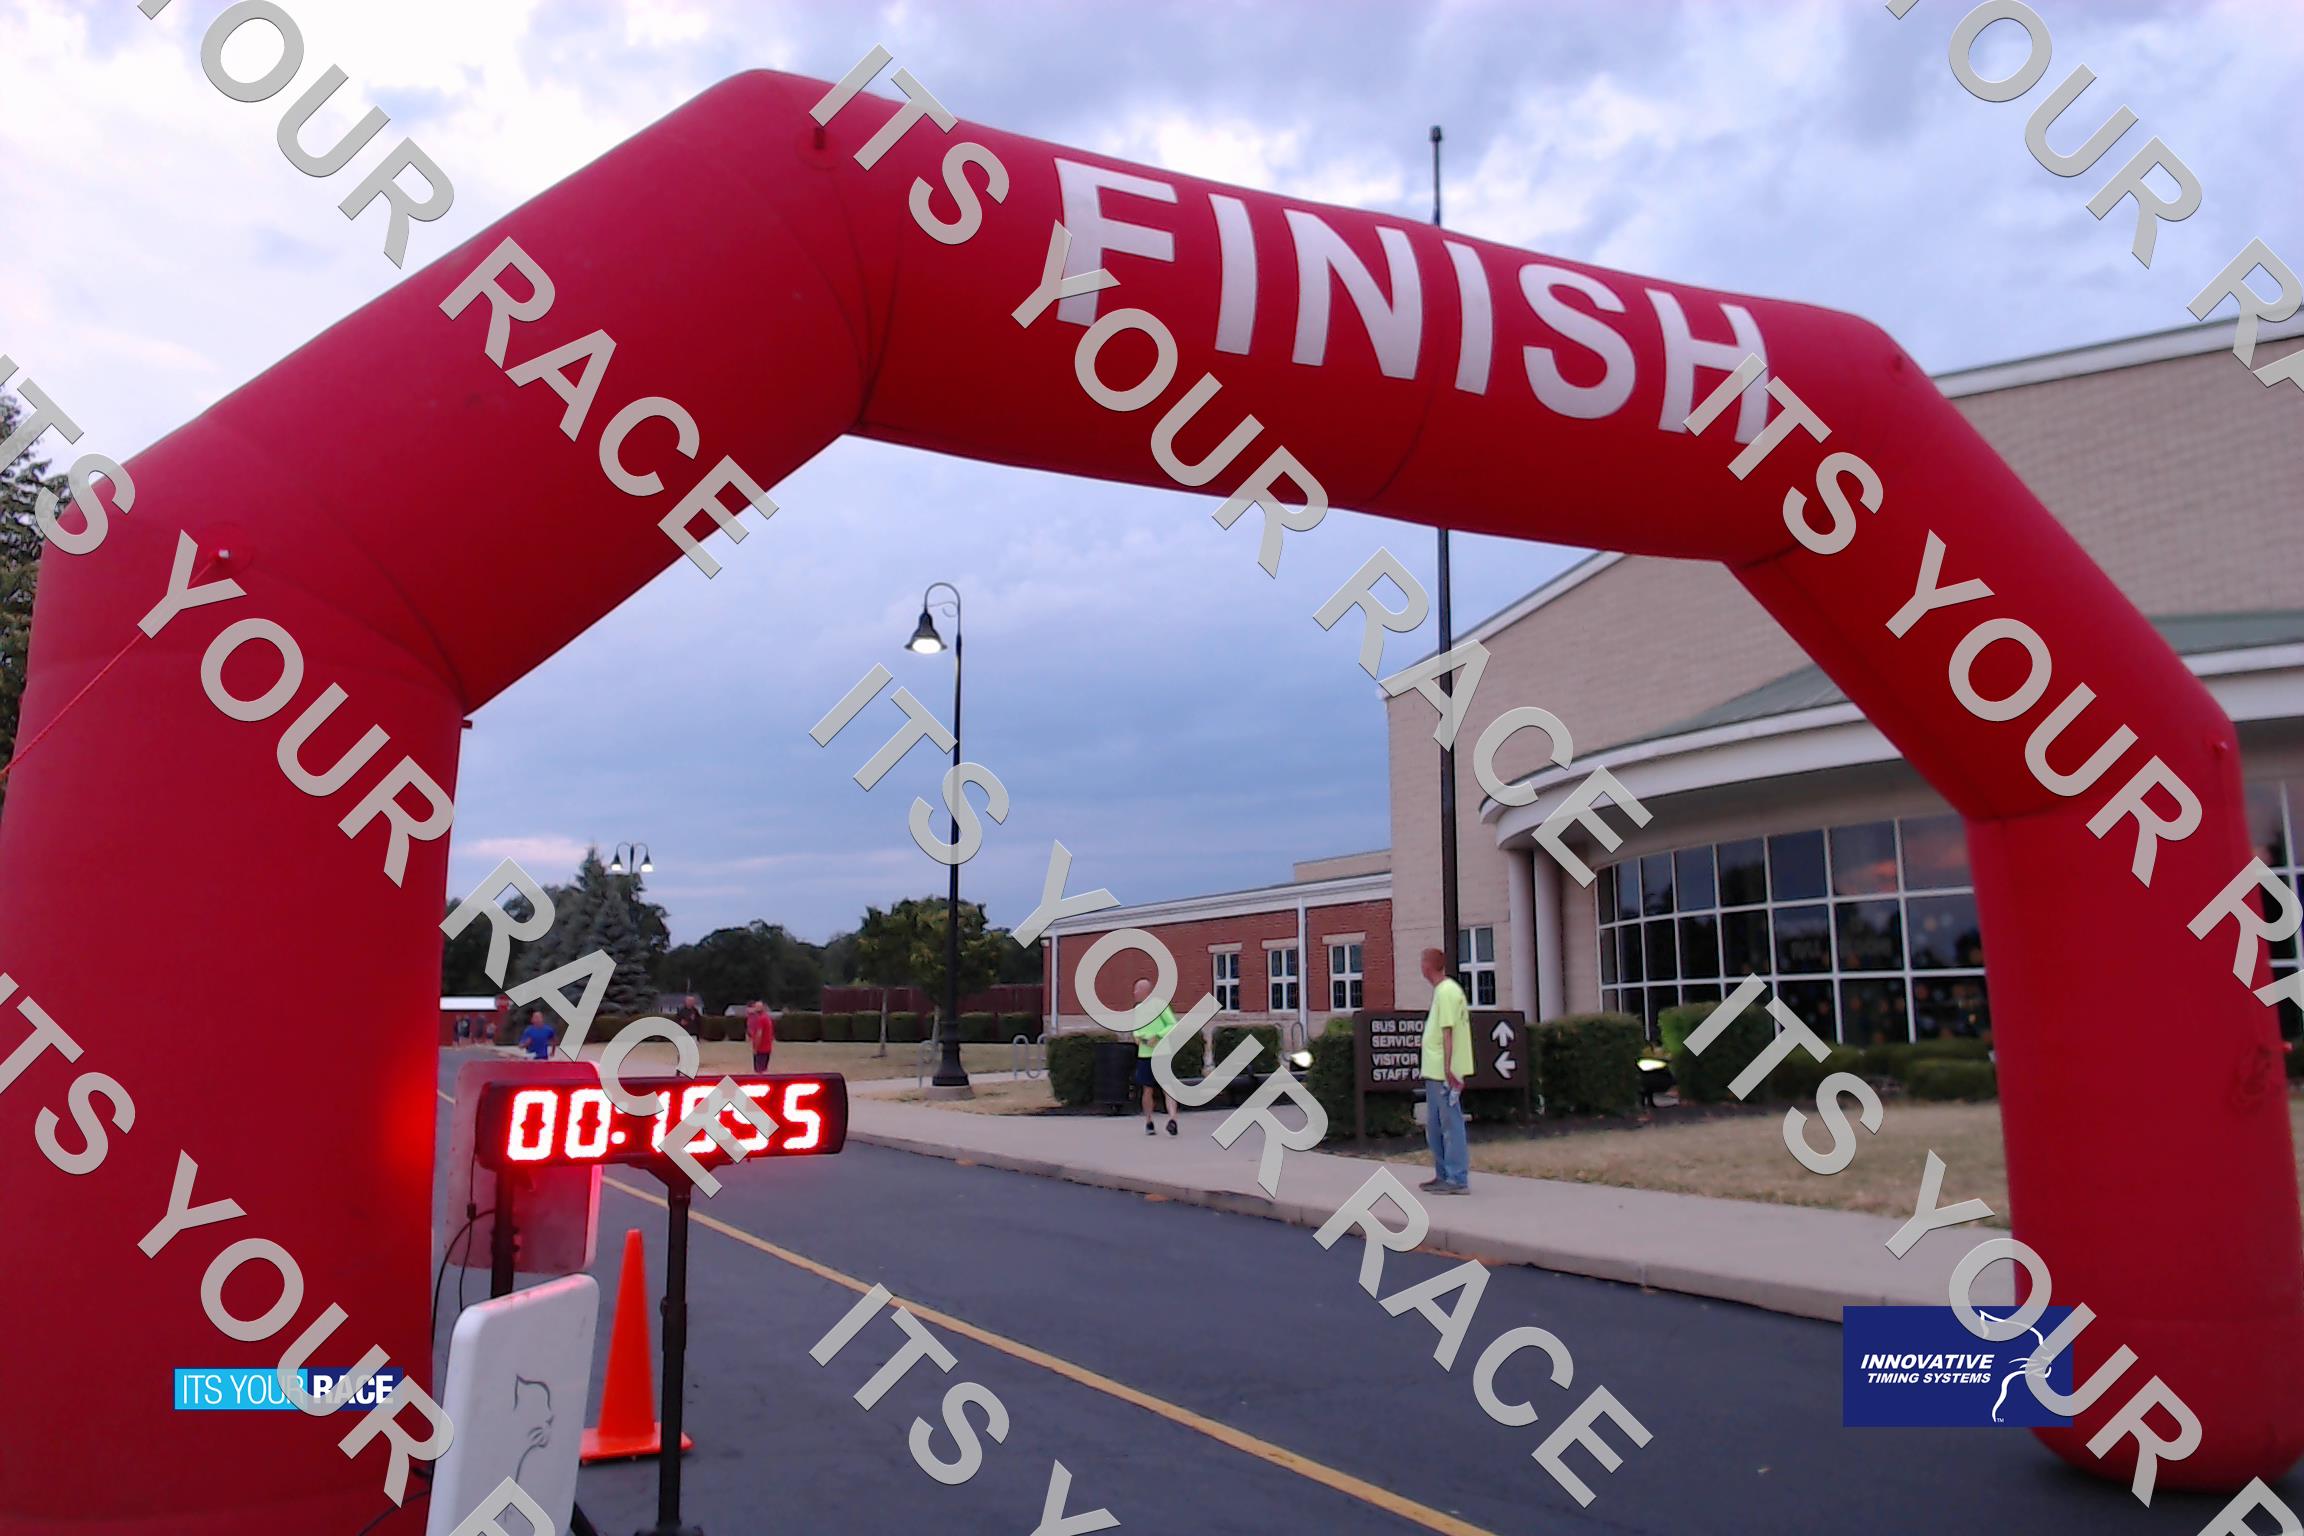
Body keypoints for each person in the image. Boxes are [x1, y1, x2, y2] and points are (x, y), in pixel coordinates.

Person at [1419, 947, 1472, 1194]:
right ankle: (1443, 1174)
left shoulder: (1447, 992)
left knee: (1450, 1123)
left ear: (1428, 966)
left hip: (1443, 1071)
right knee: (1436, 1125)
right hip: (1434, 1070)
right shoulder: (1442, 991)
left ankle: (1457, 1177)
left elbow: (1448, 1032)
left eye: (1422, 962)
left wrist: (1449, 1068)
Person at [1130, 977, 1180, 1137]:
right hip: (1145, 1054)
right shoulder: (1137, 1009)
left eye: (1137, 989)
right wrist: (1137, 1036)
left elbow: (1172, 1024)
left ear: (1145, 991)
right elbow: (1135, 1028)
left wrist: (1158, 1036)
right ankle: (1149, 1121)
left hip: (1161, 1053)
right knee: (1147, 1088)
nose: (1134, 992)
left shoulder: (1160, 1005)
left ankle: (1173, 1119)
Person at [746, 1000, 776, 1073]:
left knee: (759, 1071)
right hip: (767, 1048)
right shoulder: (767, 1018)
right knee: (764, 1070)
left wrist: (756, 1048)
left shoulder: (761, 1019)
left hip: (761, 1049)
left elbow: (759, 1035)